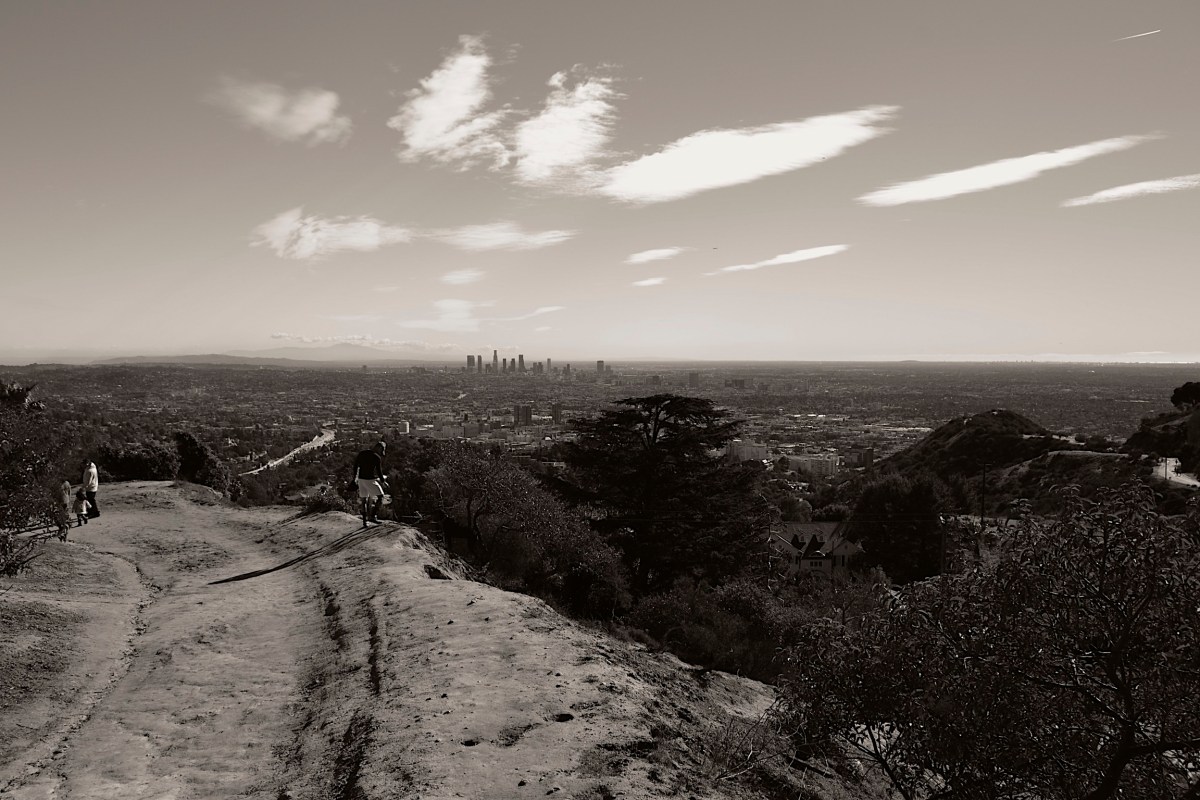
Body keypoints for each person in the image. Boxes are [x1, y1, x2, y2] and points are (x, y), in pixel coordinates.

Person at [352, 441, 387, 524]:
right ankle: (373, 516)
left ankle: (364, 521)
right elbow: (379, 471)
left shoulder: (362, 453)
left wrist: (354, 478)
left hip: (361, 479)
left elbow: (356, 466)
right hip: (370, 480)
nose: (381, 452)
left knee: (364, 500)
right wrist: (383, 482)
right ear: (379, 448)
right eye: (382, 450)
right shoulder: (376, 457)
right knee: (381, 497)